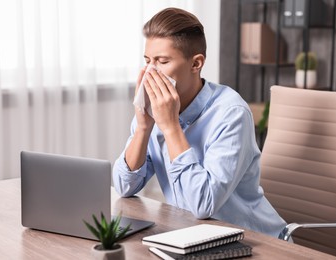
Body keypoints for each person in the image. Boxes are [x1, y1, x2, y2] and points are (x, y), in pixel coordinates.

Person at [113, 7, 286, 238]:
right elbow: (124, 187)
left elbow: (202, 205)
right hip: (194, 236)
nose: (150, 74)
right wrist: (143, 128)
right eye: (147, 61)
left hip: (255, 241)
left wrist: (171, 127)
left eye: (162, 61)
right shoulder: (152, 111)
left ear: (196, 64)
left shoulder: (231, 113)